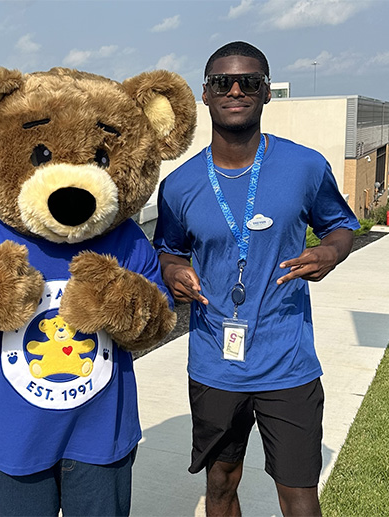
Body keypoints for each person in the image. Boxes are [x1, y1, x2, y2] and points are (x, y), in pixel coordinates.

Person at [153, 41, 359, 517]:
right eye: (223, 82)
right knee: (221, 481)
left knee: (299, 492)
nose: (237, 89)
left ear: (268, 93)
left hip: (288, 362)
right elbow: (169, 248)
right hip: (214, 363)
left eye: (251, 81)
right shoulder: (179, 185)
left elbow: (341, 225)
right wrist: (173, 270)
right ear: (205, 94)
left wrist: (331, 250)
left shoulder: (305, 166)